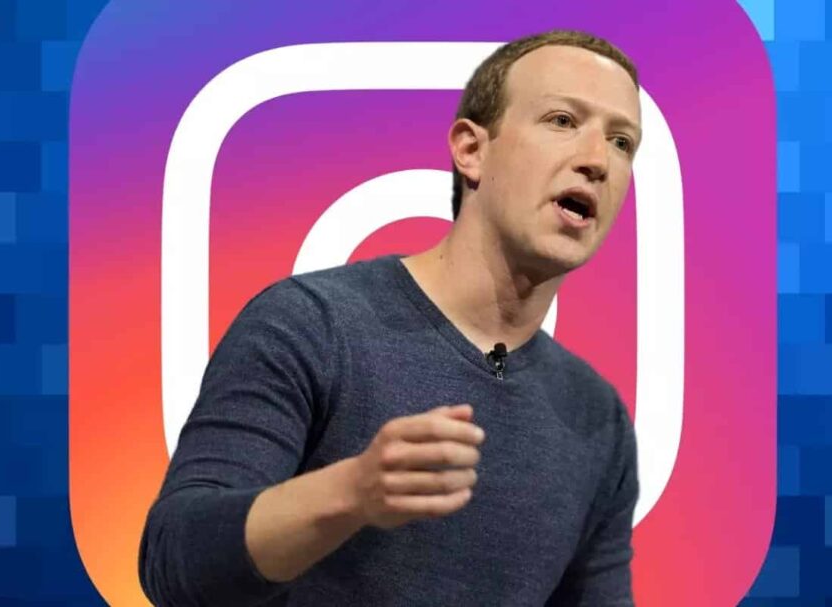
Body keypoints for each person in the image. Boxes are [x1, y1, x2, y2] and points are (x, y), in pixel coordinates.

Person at [139, 29, 642, 606]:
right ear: (471, 150)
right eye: (562, 120)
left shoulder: (596, 417)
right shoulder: (310, 326)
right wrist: (351, 492)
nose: (597, 160)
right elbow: (173, 560)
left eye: (622, 142)